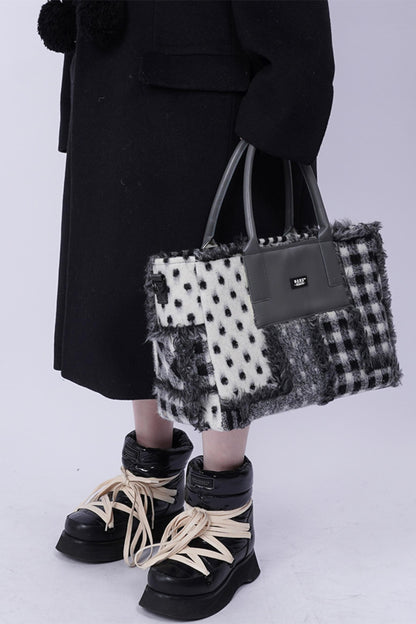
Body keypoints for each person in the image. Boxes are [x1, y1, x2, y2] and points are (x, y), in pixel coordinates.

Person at [37, 0, 335, 619]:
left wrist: (284, 108)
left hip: (212, 96)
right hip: (120, 72)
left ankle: (225, 515)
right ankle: (152, 485)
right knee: (130, 283)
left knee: (219, 306)